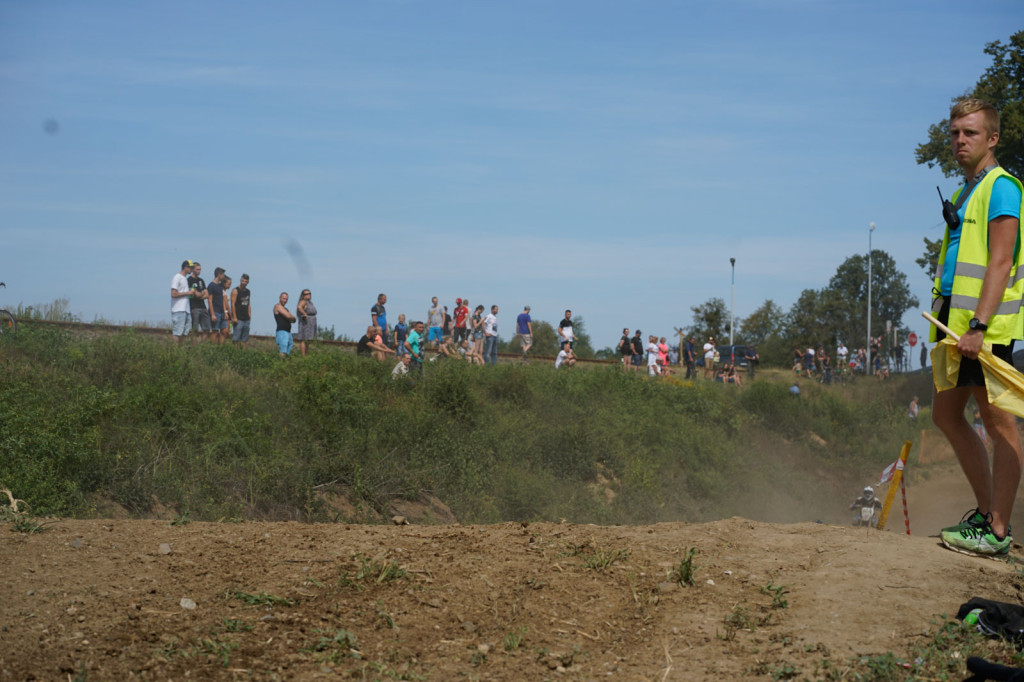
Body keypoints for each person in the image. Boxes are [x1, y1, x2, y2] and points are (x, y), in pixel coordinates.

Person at [928, 98, 1024, 557]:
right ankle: (986, 516)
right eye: (954, 133)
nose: (959, 141)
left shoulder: (1002, 188)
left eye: (969, 133)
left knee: (999, 423)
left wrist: (981, 325)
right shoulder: (968, 190)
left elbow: (1001, 261)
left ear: (992, 138)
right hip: (955, 325)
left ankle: (998, 530)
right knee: (945, 416)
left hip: (983, 329)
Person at [187, 262, 211, 344]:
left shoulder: (201, 280)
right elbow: (195, 294)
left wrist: (200, 294)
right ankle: (194, 347)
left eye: (200, 269)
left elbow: (207, 294)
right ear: (193, 269)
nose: (199, 271)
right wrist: (200, 294)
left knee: (207, 329)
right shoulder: (189, 280)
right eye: (197, 269)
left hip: (203, 307)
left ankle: (201, 345)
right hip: (195, 307)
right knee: (195, 329)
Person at [170, 260, 194, 344]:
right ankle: (174, 351)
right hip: (178, 309)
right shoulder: (177, 277)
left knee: (185, 332)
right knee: (178, 331)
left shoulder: (184, 279)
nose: (192, 269)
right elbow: (173, 294)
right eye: (190, 267)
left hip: (186, 309)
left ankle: (181, 350)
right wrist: (187, 292)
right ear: (185, 267)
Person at [207, 267, 228, 346]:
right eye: (223, 275)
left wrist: (225, 311)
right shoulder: (211, 285)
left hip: (222, 311)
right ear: (219, 275)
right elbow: (210, 300)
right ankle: (213, 348)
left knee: (225, 331)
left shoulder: (220, 286)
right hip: (215, 311)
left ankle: (220, 347)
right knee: (215, 331)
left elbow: (222, 299)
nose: (223, 277)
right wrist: (212, 314)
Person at [231, 274, 251, 349]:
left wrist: (249, 315)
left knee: (245, 338)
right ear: (240, 280)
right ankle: (235, 352)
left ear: (248, 282)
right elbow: (232, 304)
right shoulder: (235, 290)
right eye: (242, 280)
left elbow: (249, 304)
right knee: (236, 337)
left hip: (246, 318)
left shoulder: (248, 291)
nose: (243, 283)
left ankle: (243, 353)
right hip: (238, 318)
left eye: (245, 281)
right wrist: (234, 317)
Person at [295, 289, 317, 356]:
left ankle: (306, 354)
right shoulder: (303, 301)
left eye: (309, 293)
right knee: (303, 339)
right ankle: (303, 356)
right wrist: (304, 314)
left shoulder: (310, 302)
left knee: (308, 340)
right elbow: (299, 307)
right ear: (303, 295)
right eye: (306, 294)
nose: (308, 295)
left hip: (311, 323)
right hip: (306, 323)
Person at [273, 292, 296, 357]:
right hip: (282, 331)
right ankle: (280, 364)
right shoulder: (277, 306)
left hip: (288, 332)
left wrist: (292, 318)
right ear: (280, 298)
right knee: (283, 350)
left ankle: (285, 364)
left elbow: (293, 320)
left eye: (286, 299)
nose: (285, 300)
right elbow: (289, 316)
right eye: (283, 298)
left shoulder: (286, 309)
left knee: (288, 350)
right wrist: (292, 317)